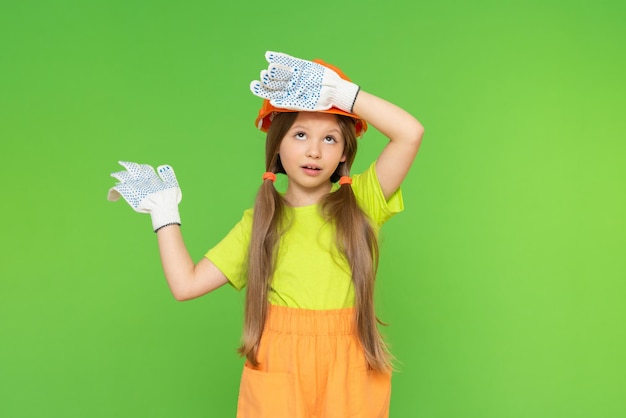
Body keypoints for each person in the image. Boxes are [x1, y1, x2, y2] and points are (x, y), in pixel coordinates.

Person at [108, 51, 424, 418]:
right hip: (280, 363)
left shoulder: (362, 203)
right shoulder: (260, 222)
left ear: (344, 154)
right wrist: (164, 213)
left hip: (351, 362)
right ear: (277, 145)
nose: (313, 151)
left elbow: (409, 133)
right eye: (301, 134)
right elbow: (185, 285)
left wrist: (341, 94)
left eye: (330, 139)